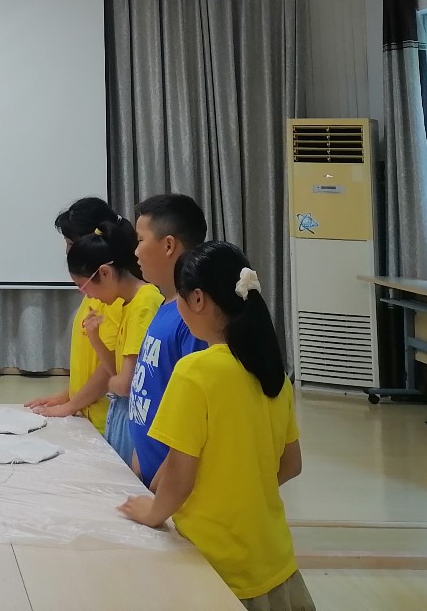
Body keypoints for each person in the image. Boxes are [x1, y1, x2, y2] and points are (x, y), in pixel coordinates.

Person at [118, 242, 315, 611]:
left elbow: (180, 476)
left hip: (216, 563)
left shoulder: (196, 372)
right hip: (273, 557)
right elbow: (291, 465)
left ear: (197, 299)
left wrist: (153, 511)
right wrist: (241, 493)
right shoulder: (271, 372)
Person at [43, 218, 163, 465]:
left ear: (105, 273)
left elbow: (125, 384)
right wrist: (96, 339)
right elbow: (116, 369)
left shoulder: (144, 302)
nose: (87, 295)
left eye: (84, 287)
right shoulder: (129, 302)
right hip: (122, 416)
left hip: (134, 418)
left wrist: (110, 384)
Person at [127, 193, 209, 484]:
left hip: (169, 489)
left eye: (140, 240)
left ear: (169, 245)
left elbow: (195, 418)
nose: (136, 252)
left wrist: (162, 486)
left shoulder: (194, 319)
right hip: (149, 476)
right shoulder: (165, 307)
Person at [25, 198, 124, 431]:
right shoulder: (96, 291)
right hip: (87, 414)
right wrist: (68, 396)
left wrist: (71, 406)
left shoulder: (114, 297)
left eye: (71, 243)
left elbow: (109, 368)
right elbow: (89, 361)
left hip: (103, 422)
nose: (68, 252)